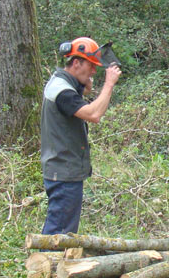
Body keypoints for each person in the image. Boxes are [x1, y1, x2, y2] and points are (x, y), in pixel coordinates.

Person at [40, 37, 121, 235]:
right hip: (64, 170)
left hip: (63, 169)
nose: (94, 71)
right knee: (59, 232)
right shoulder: (63, 92)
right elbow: (93, 115)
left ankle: (54, 262)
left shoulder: (60, 82)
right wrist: (109, 84)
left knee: (63, 228)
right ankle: (48, 264)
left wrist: (83, 84)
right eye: (91, 66)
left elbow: (77, 95)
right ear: (76, 63)